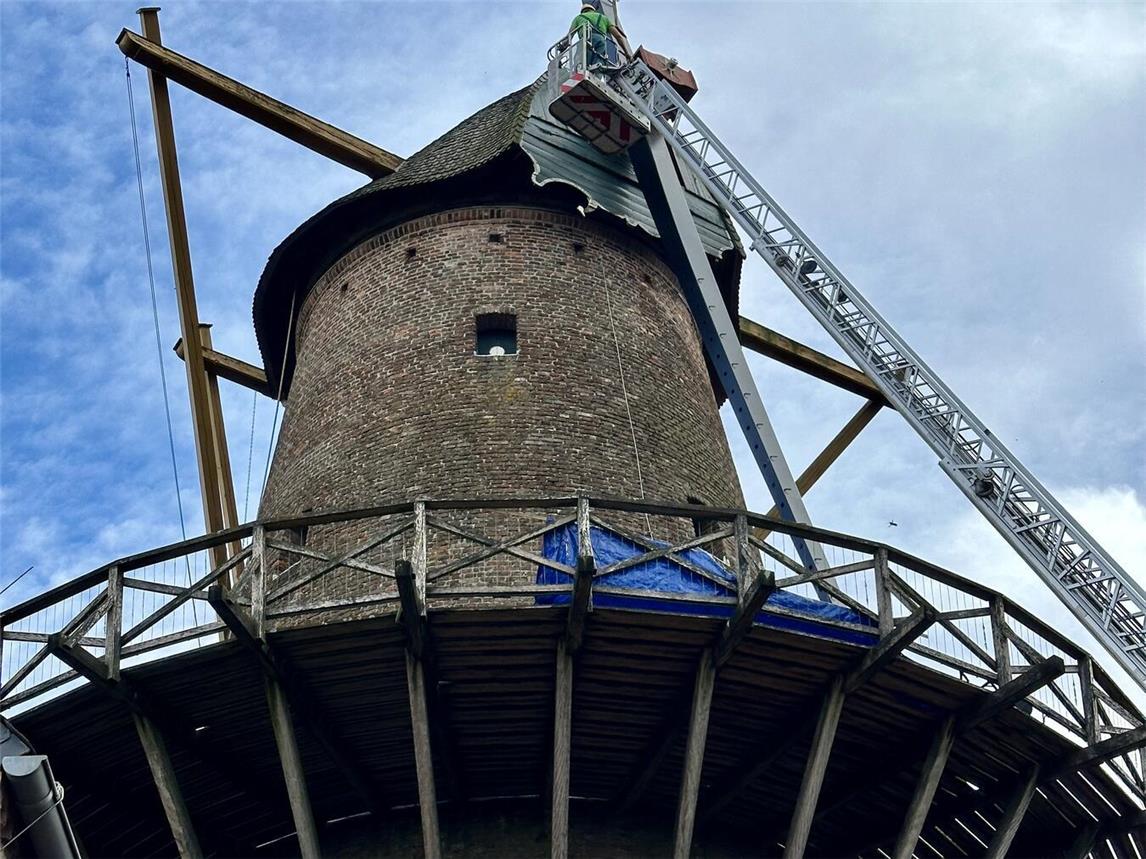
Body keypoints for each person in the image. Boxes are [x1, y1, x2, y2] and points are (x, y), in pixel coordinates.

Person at [569, 2, 631, 68]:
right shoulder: (603, 18)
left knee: (580, 65)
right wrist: (626, 53)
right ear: (593, 10)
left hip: (585, 42)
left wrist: (562, 48)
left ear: (582, 12)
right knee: (598, 64)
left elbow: (570, 36)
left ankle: (580, 71)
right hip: (601, 42)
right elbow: (618, 36)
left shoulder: (578, 18)